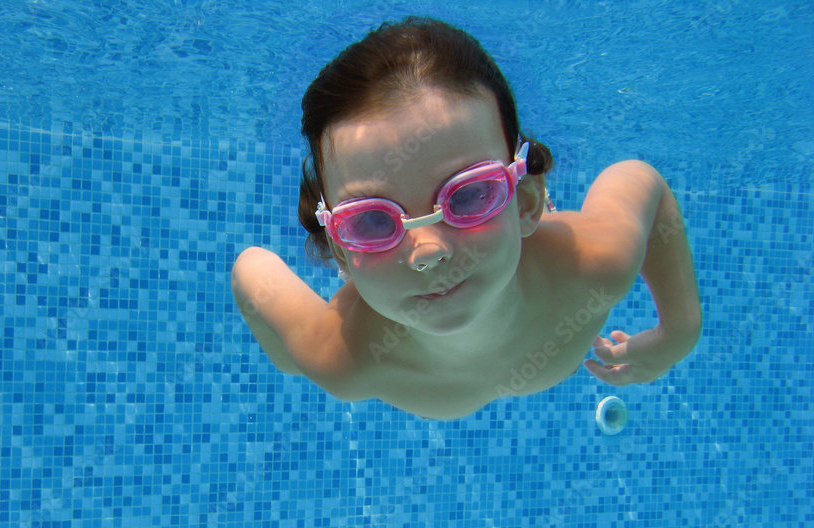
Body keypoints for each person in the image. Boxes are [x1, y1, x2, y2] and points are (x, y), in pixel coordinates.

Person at [231, 17, 701, 420]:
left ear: (527, 203)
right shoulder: (341, 356)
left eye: (470, 195)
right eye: (372, 222)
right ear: (341, 252)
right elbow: (250, 270)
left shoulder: (594, 265)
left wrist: (679, 329)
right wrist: (292, 358)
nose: (429, 251)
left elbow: (641, 181)